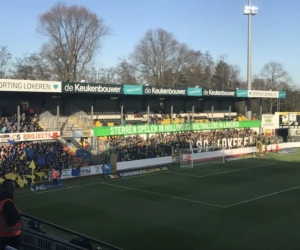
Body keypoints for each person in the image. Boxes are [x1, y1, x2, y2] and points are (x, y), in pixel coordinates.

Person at [0, 179, 22, 250]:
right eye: (12, 188)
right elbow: (10, 222)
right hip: (10, 238)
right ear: (5, 188)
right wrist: (18, 216)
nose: (14, 190)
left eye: (14, 188)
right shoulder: (7, 203)